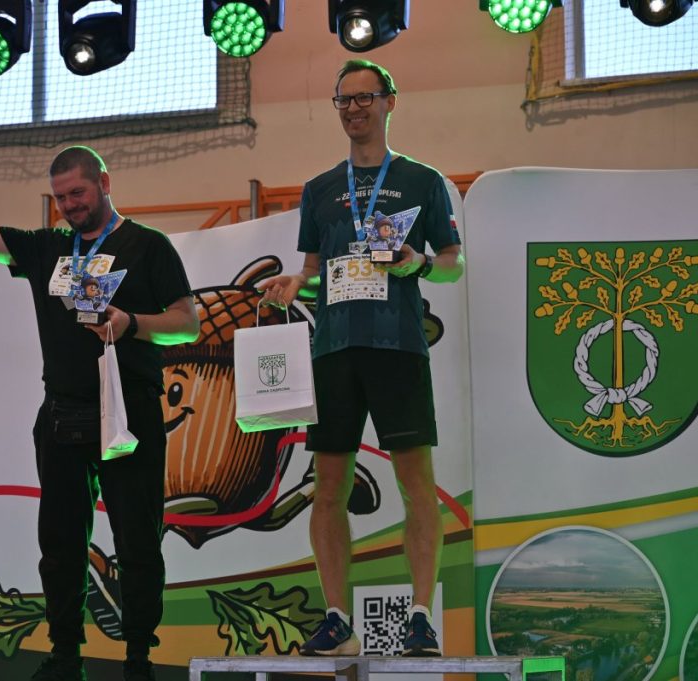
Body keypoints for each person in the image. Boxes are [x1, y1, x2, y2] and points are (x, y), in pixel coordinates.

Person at [0, 121, 199, 681]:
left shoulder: (149, 246)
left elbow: (187, 323)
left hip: (130, 413)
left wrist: (132, 324)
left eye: (79, 192)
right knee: (61, 543)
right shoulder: (48, 247)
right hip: (63, 413)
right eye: (62, 197)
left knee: (138, 540)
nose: (71, 205)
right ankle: (65, 654)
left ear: (104, 183)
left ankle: (138, 657)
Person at [259, 60, 464, 657]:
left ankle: (420, 618)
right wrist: (296, 284)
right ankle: (336, 620)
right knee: (327, 488)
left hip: (398, 346)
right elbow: (314, 270)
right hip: (333, 349)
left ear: (389, 101)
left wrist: (417, 263)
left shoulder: (423, 180)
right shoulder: (320, 189)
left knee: (416, 484)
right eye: (343, 100)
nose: (354, 109)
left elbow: (453, 263)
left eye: (364, 98)